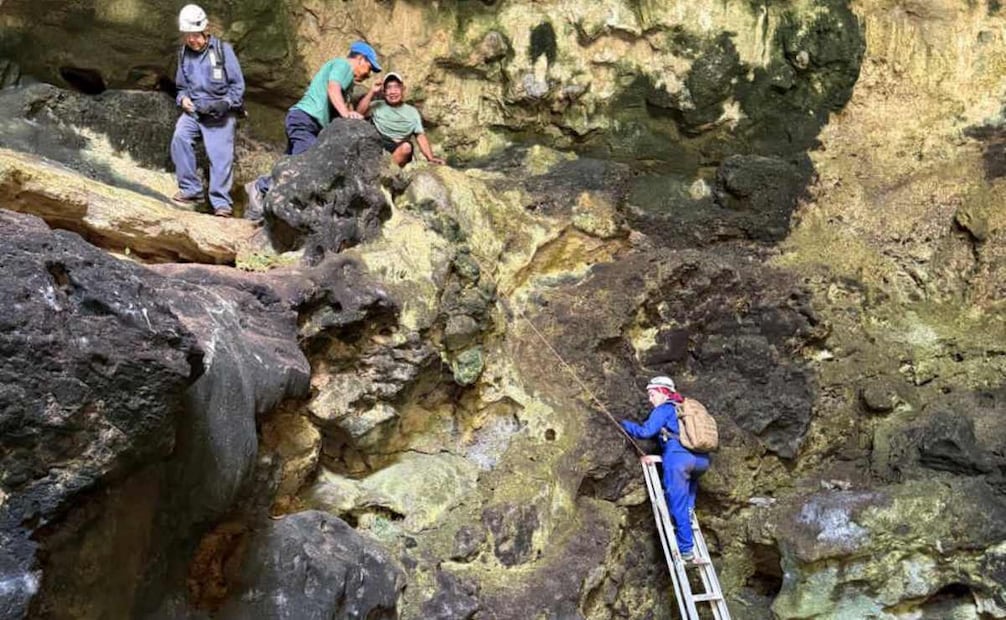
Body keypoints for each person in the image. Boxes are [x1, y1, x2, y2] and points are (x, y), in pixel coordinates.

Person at [245, 41, 382, 217]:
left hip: (305, 122)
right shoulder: (343, 66)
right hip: (306, 120)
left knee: (291, 168)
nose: (369, 74)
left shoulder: (346, 82)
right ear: (361, 59)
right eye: (369, 68)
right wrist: (346, 114)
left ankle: (260, 208)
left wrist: (351, 111)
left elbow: (352, 112)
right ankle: (261, 187)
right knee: (306, 167)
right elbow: (333, 89)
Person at [621, 376, 711, 561]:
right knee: (686, 500)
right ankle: (688, 511)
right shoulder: (683, 408)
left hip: (679, 461)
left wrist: (624, 424)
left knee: (676, 505)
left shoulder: (664, 409)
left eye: (652, 394)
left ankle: (686, 550)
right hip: (701, 461)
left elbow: (645, 432)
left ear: (663, 392)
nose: (650, 399)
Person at [170, 4, 245, 217]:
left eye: (195, 35)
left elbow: (238, 85)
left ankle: (221, 203)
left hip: (219, 111)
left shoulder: (222, 50)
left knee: (220, 157)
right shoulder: (183, 53)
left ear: (206, 30)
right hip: (194, 109)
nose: (191, 40)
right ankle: (190, 190)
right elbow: (181, 86)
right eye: (188, 35)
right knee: (180, 138)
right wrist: (183, 99)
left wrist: (226, 103)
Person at [356, 72, 445, 166]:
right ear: (384, 91)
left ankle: (384, 170)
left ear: (403, 89)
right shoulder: (377, 105)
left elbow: (420, 136)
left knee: (406, 147)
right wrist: (372, 92)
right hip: (378, 142)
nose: (393, 92)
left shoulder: (412, 112)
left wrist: (430, 158)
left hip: (399, 148)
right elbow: (358, 114)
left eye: (396, 87)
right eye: (389, 88)